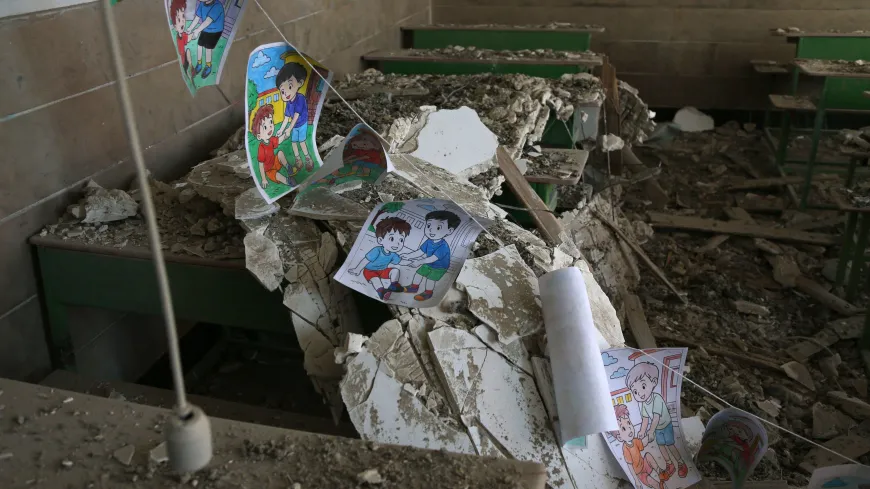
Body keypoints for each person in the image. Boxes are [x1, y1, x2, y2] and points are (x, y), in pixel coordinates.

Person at [627, 362, 689, 480]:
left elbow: (656, 417)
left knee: (670, 444)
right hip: (657, 428)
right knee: (661, 446)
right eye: (635, 391)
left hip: (666, 425)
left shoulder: (657, 398)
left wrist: (650, 432)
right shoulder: (644, 404)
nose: (639, 393)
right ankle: (670, 464)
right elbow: (645, 419)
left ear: (654, 382)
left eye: (643, 386)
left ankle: (681, 463)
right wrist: (642, 431)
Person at [401, 210, 460, 302]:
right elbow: (420, 251)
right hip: (428, 263)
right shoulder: (429, 241)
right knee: (418, 274)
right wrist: (408, 256)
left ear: (449, 231)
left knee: (430, 280)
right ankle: (413, 287)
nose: (431, 230)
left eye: (438, 228)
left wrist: (419, 262)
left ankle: (428, 293)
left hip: (440, 267)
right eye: (429, 226)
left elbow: (433, 258)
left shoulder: (443, 246)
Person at [348, 217, 411, 301]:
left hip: (383, 270)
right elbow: (366, 260)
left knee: (395, 271)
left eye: (401, 240)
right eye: (392, 238)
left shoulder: (393, 254)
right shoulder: (377, 250)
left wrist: (409, 262)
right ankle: (382, 292)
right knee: (375, 280)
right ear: (380, 240)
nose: (397, 243)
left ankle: (394, 285)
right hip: (370, 271)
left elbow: (400, 261)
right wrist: (357, 269)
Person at [612, 404, 666, 489]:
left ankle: (660, 472)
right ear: (619, 437)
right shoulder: (626, 449)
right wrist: (636, 481)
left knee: (648, 455)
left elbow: (642, 443)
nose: (629, 428)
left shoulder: (635, 440)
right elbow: (630, 467)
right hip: (640, 473)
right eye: (624, 428)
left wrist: (649, 436)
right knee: (654, 483)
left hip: (644, 464)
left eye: (629, 423)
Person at [275, 62, 315, 171]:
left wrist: (289, 129)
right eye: (282, 91)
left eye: (290, 86)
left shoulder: (300, 98)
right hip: (295, 126)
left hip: (301, 124)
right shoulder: (288, 103)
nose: (286, 93)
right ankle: (298, 159)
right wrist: (281, 129)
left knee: (301, 142)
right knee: (293, 142)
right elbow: (286, 118)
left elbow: (296, 116)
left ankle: (307, 158)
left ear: (300, 83)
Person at [250, 104, 295, 189]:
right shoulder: (261, 148)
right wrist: (263, 179)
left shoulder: (271, 140)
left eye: (271, 122)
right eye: (265, 127)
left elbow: (279, 140)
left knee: (280, 153)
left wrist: (285, 136)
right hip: (269, 170)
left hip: (275, 162)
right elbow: (261, 164)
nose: (270, 127)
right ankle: (288, 181)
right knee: (277, 176)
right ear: (259, 136)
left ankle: (288, 167)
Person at [186, 0, 225, 79]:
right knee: (199, 45)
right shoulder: (202, 4)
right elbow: (197, 17)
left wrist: (197, 31)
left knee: (208, 48)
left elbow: (207, 21)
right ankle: (199, 64)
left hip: (215, 30)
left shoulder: (217, 6)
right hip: (205, 29)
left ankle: (208, 66)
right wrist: (190, 28)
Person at [169, 0, 194, 80]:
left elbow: (188, 37)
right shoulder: (180, 37)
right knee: (187, 53)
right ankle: (188, 72)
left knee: (188, 52)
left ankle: (191, 67)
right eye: (179, 19)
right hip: (183, 60)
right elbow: (187, 39)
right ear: (175, 25)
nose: (183, 21)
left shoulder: (182, 35)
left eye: (183, 16)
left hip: (185, 58)